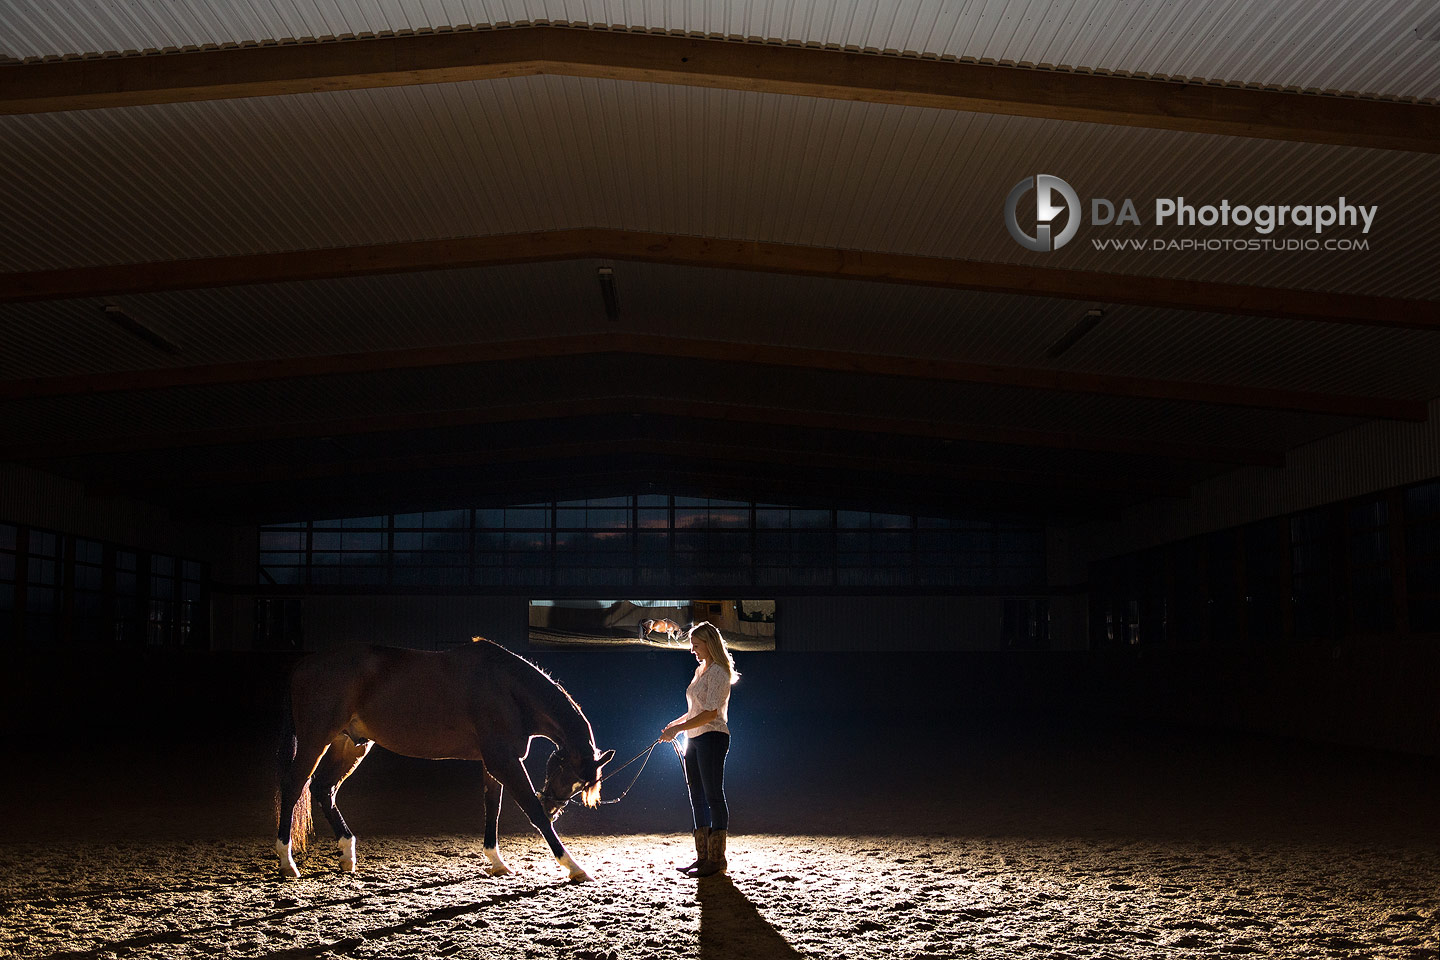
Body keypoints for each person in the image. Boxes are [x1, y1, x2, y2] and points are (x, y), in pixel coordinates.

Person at [659, 621, 738, 878]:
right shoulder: (700, 670)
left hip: (712, 737)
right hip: (694, 738)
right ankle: (703, 857)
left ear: (709, 643)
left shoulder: (718, 672)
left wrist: (678, 730)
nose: (692, 650)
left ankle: (717, 859)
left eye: (696, 645)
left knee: (713, 795)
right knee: (697, 797)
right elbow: (695, 710)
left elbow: (711, 713)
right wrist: (676, 723)